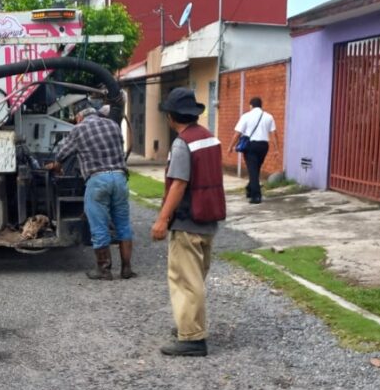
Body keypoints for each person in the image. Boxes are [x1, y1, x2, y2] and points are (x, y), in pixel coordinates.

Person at [152, 88, 224, 357]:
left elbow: (179, 184)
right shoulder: (209, 137)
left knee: (185, 280)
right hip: (208, 217)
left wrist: (162, 219)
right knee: (196, 278)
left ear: (171, 117)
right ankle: (188, 325)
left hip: (187, 220)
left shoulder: (182, 143)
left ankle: (192, 338)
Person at [46, 105, 136, 280]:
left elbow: (62, 154)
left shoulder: (79, 129)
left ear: (80, 117)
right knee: (123, 224)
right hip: (119, 178)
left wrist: (57, 165)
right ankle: (126, 269)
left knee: (99, 225)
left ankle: (104, 270)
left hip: (98, 180)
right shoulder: (113, 125)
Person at [230, 97, 278, 204]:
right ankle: (250, 188)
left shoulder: (246, 116)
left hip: (251, 146)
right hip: (264, 146)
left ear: (251, 105)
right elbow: (274, 134)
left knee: (253, 170)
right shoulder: (269, 116)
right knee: (255, 169)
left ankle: (256, 196)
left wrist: (230, 147)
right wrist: (276, 149)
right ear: (261, 105)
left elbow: (237, 133)